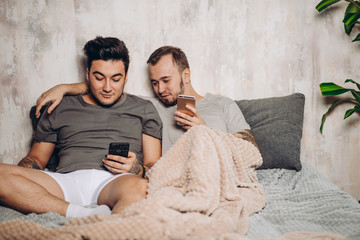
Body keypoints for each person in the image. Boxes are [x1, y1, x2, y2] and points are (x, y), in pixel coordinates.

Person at [0, 36, 162, 218]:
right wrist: (26, 175)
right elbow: (36, 158)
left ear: (125, 77)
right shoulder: (60, 105)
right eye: (99, 78)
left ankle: (111, 228)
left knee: (141, 188)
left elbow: (153, 166)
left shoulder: (144, 109)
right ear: (87, 75)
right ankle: (80, 215)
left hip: (116, 182)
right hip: (65, 181)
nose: (108, 87)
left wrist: (136, 169)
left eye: (116, 79)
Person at [35, 46, 257, 155]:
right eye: (154, 82)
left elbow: (251, 151)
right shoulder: (149, 106)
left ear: (186, 76)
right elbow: (108, 88)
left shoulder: (222, 105)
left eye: (166, 80)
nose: (160, 89)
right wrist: (63, 88)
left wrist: (205, 131)